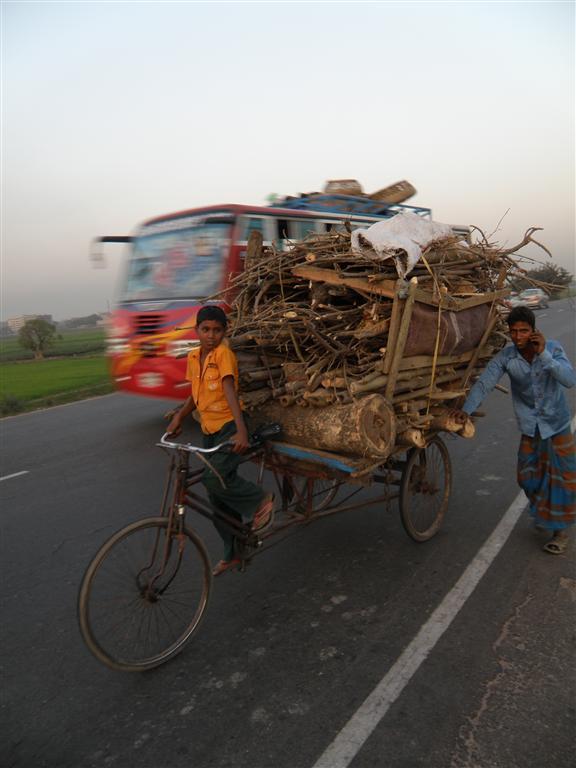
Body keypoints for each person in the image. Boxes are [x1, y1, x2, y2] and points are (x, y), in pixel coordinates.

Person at [452, 305, 575, 554]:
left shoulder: (552, 349)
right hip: (531, 426)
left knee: (563, 480)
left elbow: (569, 380)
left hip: (556, 424)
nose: (518, 336)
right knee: (526, 477)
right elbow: (485, 383)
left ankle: (560, 533)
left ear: (533, 331)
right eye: (514, 331)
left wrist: (544, 356)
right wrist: (465, 410)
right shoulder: (507, 357)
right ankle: (543, 512)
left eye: (523, 331)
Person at [167, 305, 274, 576]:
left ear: (224, 332)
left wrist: (241, 431)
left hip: (228, 427)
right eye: (206, 330)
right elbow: (196, 393)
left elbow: (229, 390)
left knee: (212, 479)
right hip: (209, 429)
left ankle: (261, 500)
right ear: (197, 331)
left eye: (217, 330)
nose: (211, 335)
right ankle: (233, 552)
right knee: (216, 496)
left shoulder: (223, 355)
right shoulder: (193, 357)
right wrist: (179, 416)